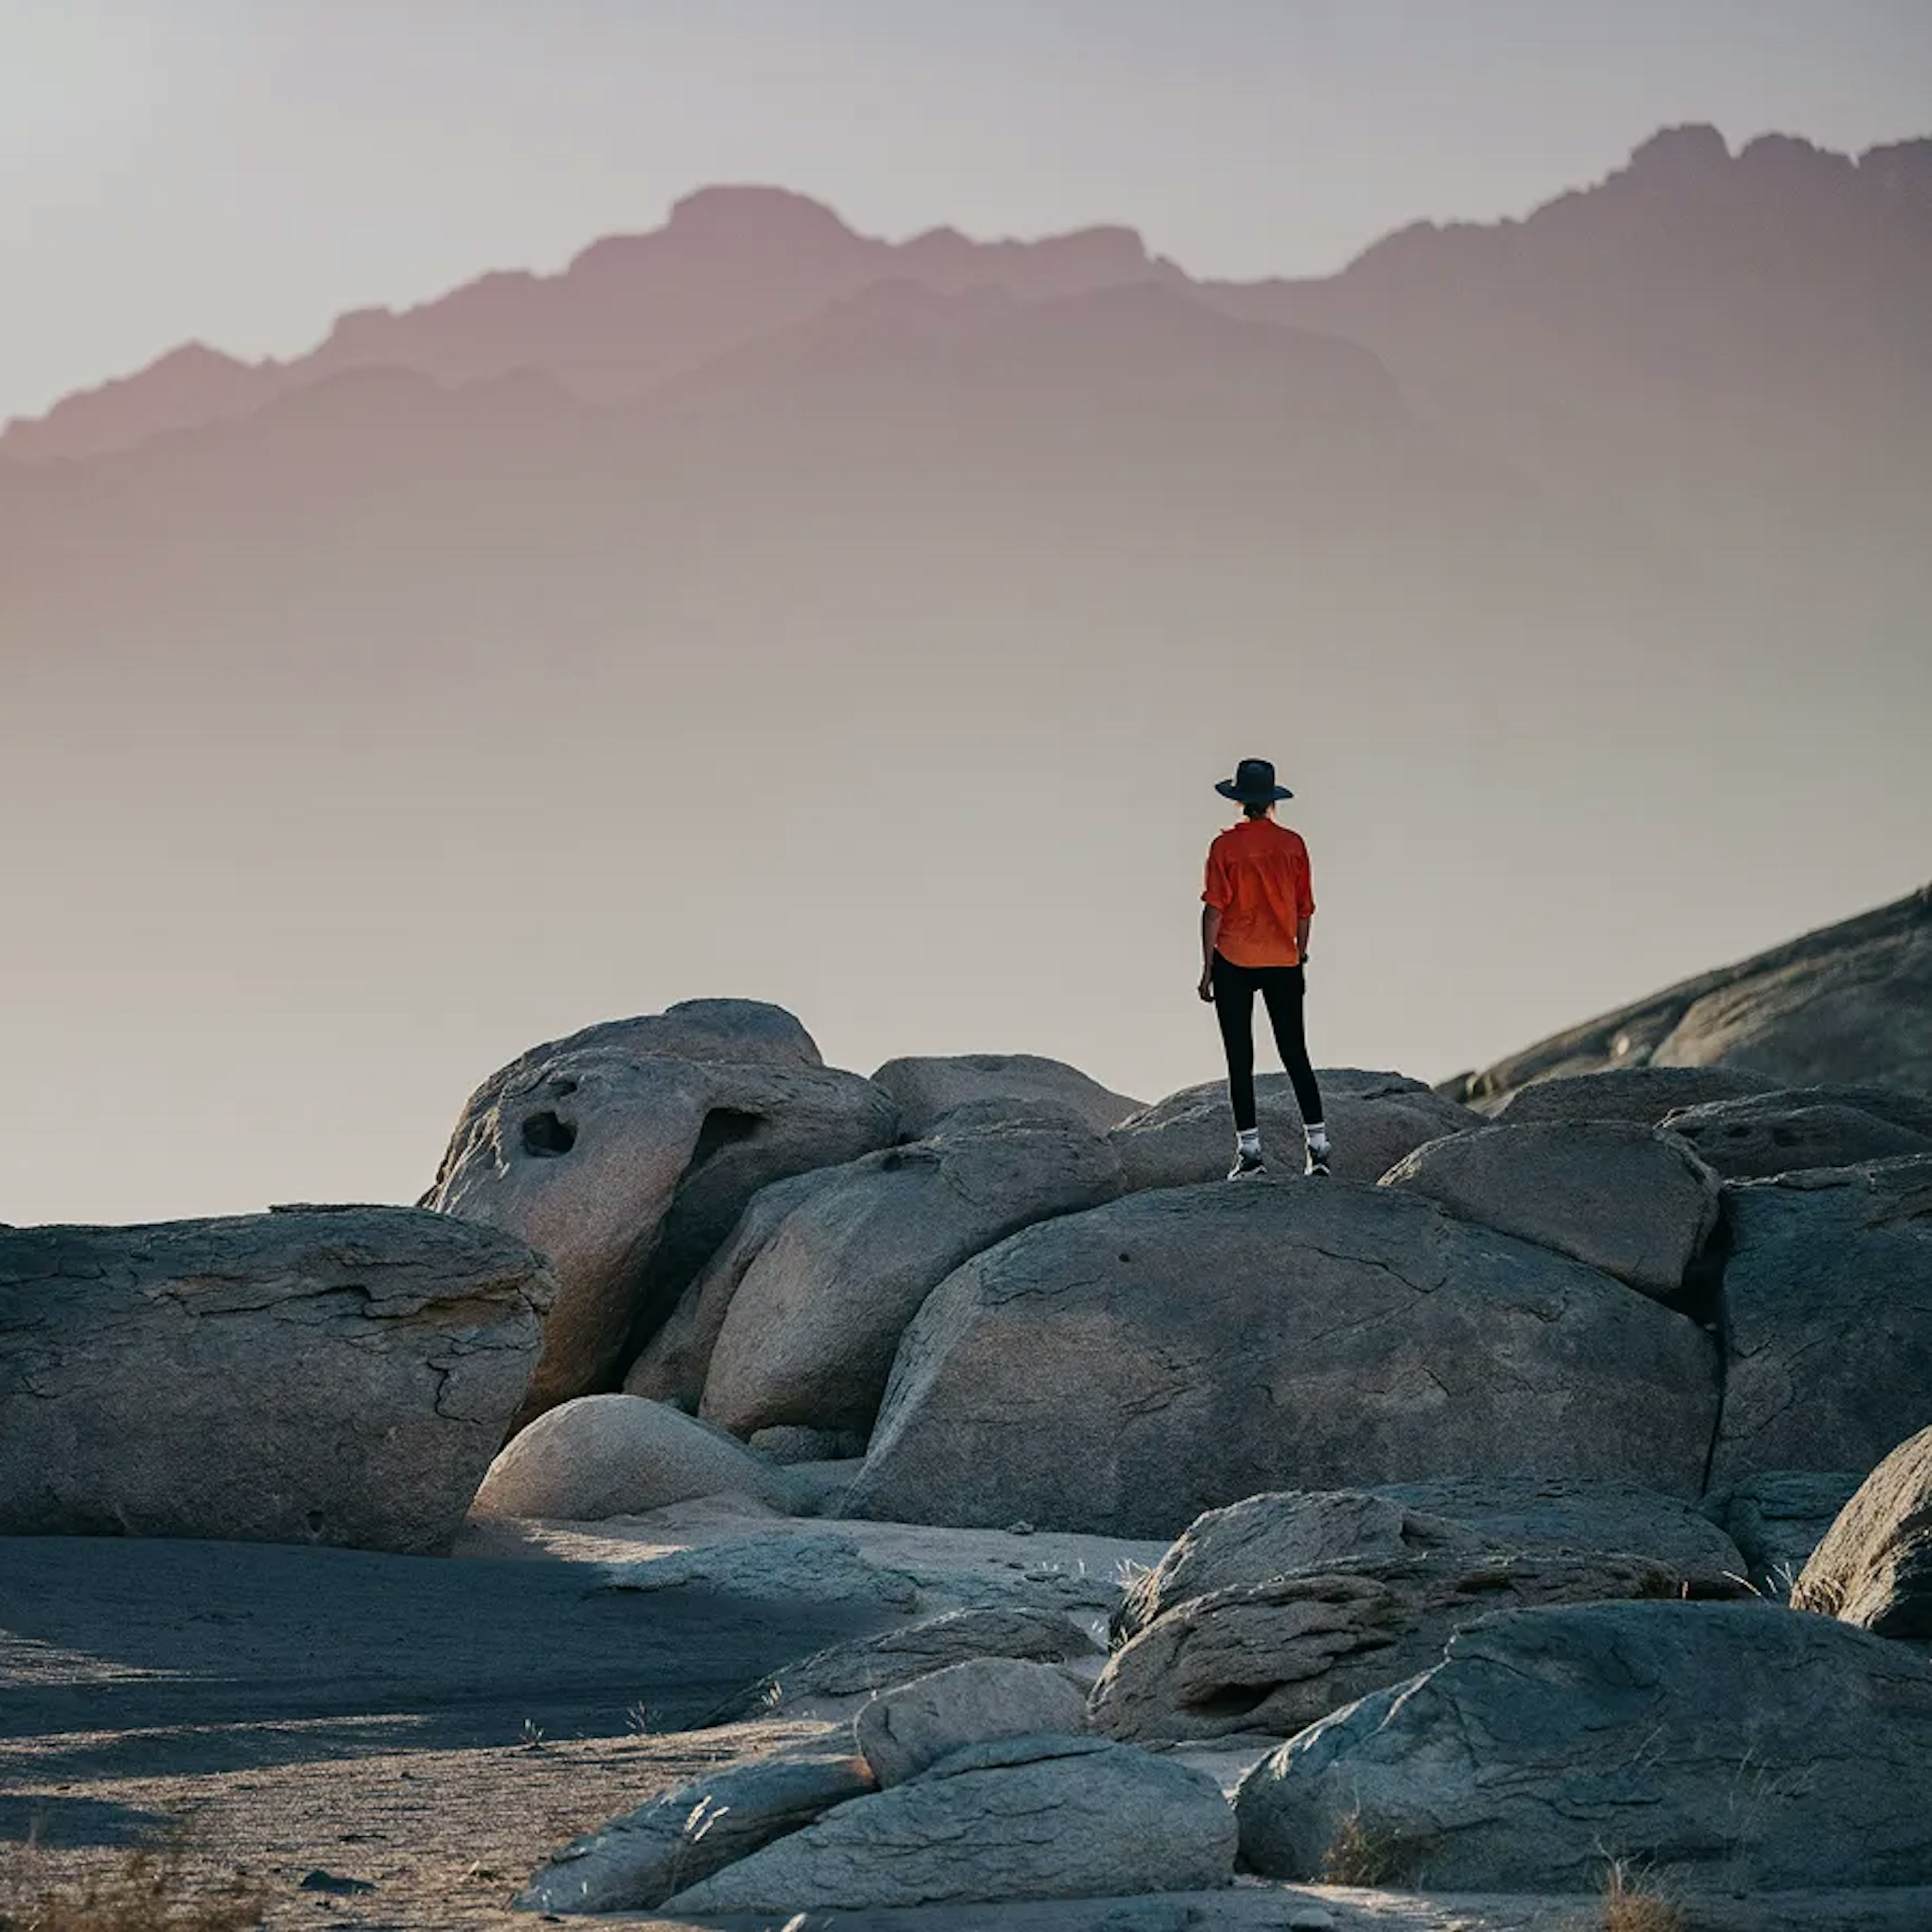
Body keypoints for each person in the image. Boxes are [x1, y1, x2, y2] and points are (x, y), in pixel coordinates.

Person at [1197, 757, 1330, 1179]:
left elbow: (1213, 911)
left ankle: (1251, 1154)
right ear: (1272, 802)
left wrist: (1206, 968)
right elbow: (1305, 910)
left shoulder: (1225, 848)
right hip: (1283, 960)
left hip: (1234, 960)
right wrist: (1300, 953)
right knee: (1295, 1053)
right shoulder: (1293, 845)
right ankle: (1319, 1148)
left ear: (1239, 802)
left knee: (1241, 1058)